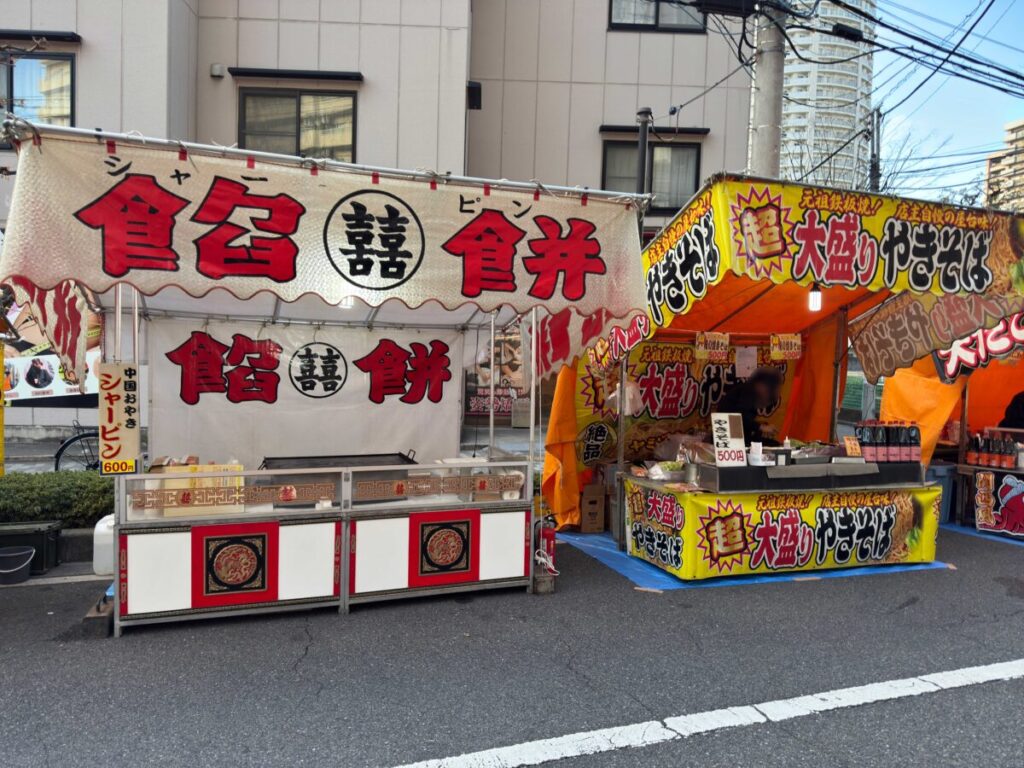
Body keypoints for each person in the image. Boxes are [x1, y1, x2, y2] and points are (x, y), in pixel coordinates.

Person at [716, 366, 783, 446]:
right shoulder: (748, 391)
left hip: (735, 437)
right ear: (761, 385)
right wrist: (760, 427)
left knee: (774, 444)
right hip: (727, 440)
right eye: (769, 390)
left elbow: (745, 422)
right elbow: (738, 417)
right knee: (773, 445)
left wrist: (759, 428)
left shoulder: (748, 391)